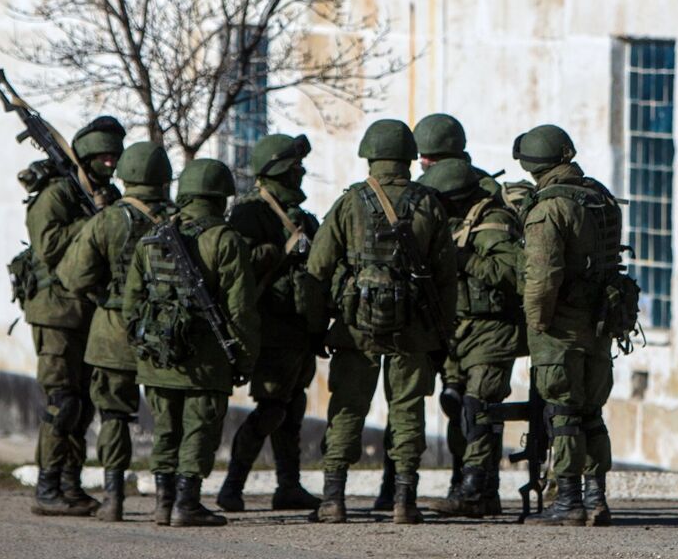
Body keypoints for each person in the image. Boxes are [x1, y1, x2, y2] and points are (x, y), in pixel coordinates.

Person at [306, 119, 457, 525]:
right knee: (408, 410)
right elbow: (446, 277)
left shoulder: (349, 203)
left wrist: (317, 326)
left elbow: (317, 269)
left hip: (357, 327)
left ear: (370, 156)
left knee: (347, 409)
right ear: (409, 157)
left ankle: (333, 500)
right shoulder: (428, 203)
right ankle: (404, 501)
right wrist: (443, 332)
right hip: (413, 328)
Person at [121, 158, 259, 528]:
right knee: (200, 428)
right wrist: (244, 360)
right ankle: (187, 503)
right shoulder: (225, 240)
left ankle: (163, 505)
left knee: (165, 429)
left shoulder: (152, 237)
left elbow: (131, 302)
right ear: (221, 197)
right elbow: (241, 309)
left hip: (158, 357)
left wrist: (146, 347)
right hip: (206, 359)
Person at [54, 140, 174, 521]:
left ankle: (113, 499)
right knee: (169, 417)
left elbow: (73, 277)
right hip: (168, 333)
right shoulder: (179, 219)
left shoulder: (107, 220)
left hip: (113, 330)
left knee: (113, 416)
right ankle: (167, 501)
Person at [515, 123, 623, 527]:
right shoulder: (600, 198)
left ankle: (569, 503)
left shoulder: (547, 208)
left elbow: (542, 276)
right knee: (592, 413)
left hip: (562, 325)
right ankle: (597, 499)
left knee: (563, 414)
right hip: (600, 322)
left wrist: (536, 323)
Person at [215, 133, 325, 514]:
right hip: (271, 327)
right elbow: (236, 265)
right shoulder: (250, 212)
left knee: (292, 409)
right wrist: (279, 251)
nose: (301, 173)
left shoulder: (303, 217)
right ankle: (232, 486)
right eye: (294, 167)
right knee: (272, 408)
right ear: (277, 170)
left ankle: (288, 485)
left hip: (300, 328)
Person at [20, 115, 124, 517]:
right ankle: (47, 487)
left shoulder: (103, 194)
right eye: (103, 156)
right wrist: (95, 220)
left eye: (115, 156)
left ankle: (70, 484)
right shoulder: (57, 194)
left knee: (83, 403)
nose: (110, 164)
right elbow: (50, 246)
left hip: (88, 311)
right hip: (55, 313)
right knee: (61, 402)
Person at [421, 157, 527, 518]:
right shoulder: (452, 223)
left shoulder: (494, 224)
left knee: (479, 408)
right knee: (461, 410)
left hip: (493, 327)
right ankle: (481, 491)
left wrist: (465, 260)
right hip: (459, 329)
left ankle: (472, 490)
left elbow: (511, 273)